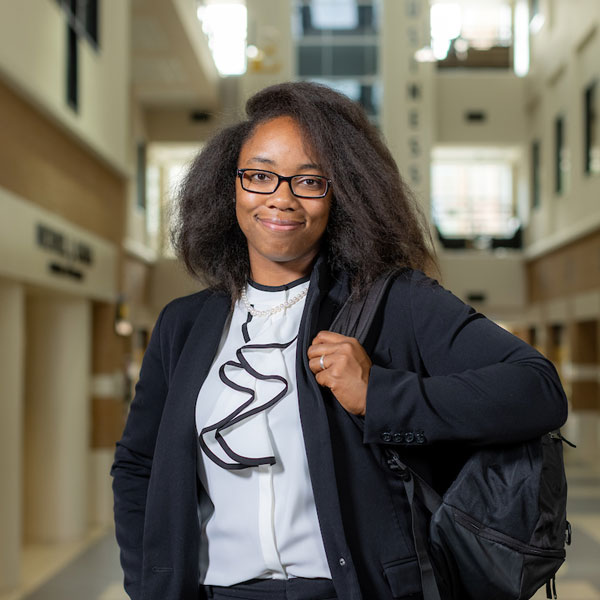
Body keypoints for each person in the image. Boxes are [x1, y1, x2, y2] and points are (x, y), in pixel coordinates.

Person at [111, 82, 567, 600]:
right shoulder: (183, 325)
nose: (280, 198)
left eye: (309, 181)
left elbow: (538, 389)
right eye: (259, 175)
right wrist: (150, 583)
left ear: (340, 195)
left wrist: (382, 395)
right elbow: (138, 465)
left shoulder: (396, 303)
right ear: (230, 187)